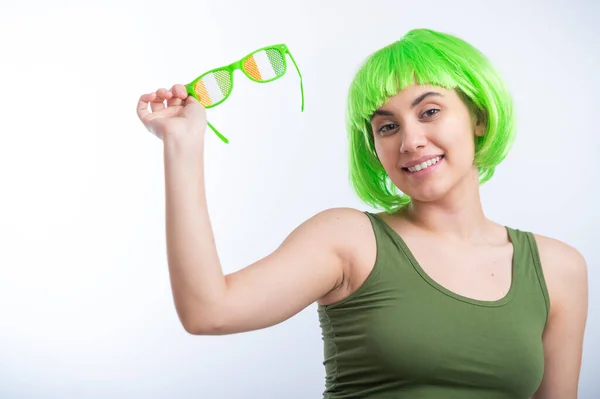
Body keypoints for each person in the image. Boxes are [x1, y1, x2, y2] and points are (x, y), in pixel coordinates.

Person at [136, 28, 588, 398]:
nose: (409, 140)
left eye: (429, 111)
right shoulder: (348, 240)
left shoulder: (558, 268)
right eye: (387, 126)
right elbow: (207, 312)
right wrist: (182, 145)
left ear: (479, 118)